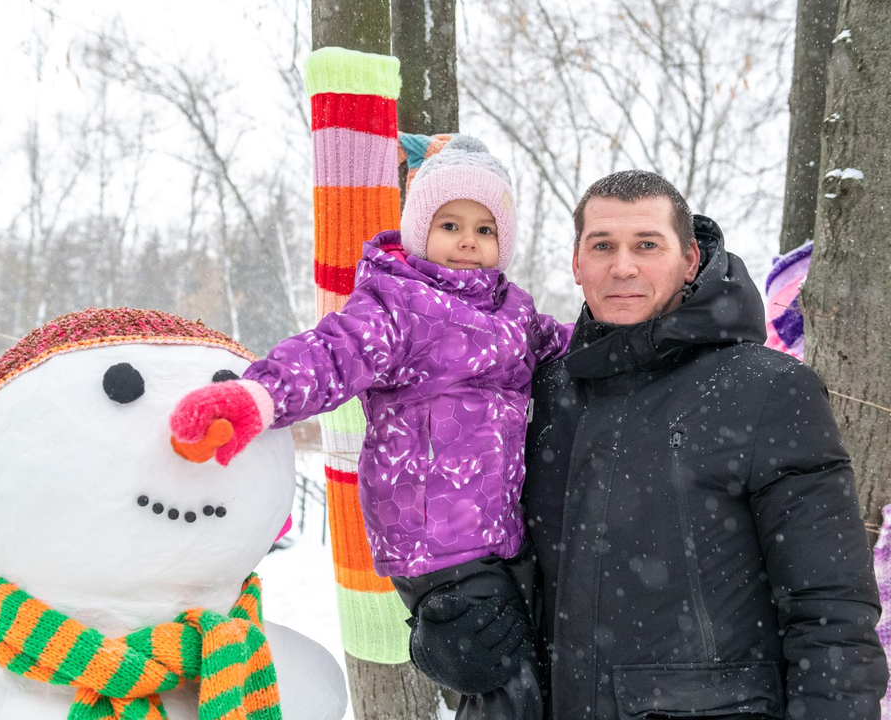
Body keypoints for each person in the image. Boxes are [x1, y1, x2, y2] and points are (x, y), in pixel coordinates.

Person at [410, 169, 889, 719]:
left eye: (647, 244)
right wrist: (442, 635)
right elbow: (461, 542)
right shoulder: (537, 389)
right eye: (602, 245)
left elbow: (830, 613)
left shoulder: (768, 391)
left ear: (689, 260)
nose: (623, 266)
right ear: (577, 263)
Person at [169, 135, 574, 719]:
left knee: (533, 668)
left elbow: (566, 348)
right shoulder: (397, 304)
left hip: (504, 533)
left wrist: (637, 340)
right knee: (500, 677)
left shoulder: (514, 312)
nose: (467, 240)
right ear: (418, 230)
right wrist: (259, 395)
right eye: (450, 224)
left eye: (485, 230)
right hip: (434, 538)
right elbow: (332, 354)